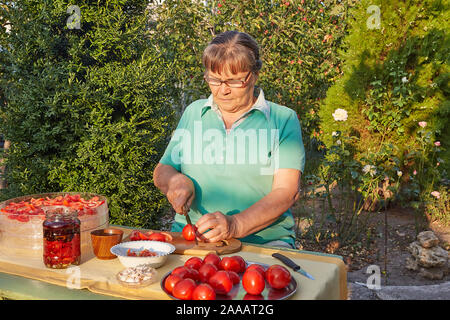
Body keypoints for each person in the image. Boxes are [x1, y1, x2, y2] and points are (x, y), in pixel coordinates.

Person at [153, 31, 305, 248]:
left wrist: (235, 225)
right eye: (214, 80)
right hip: (193, 239)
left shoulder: (282, 119)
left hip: (264, 243)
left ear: (254, 75)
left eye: (234, 81)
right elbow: (162, 170)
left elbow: (287, 192)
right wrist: (175, 181)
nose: (222, 90)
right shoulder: (195, 112)